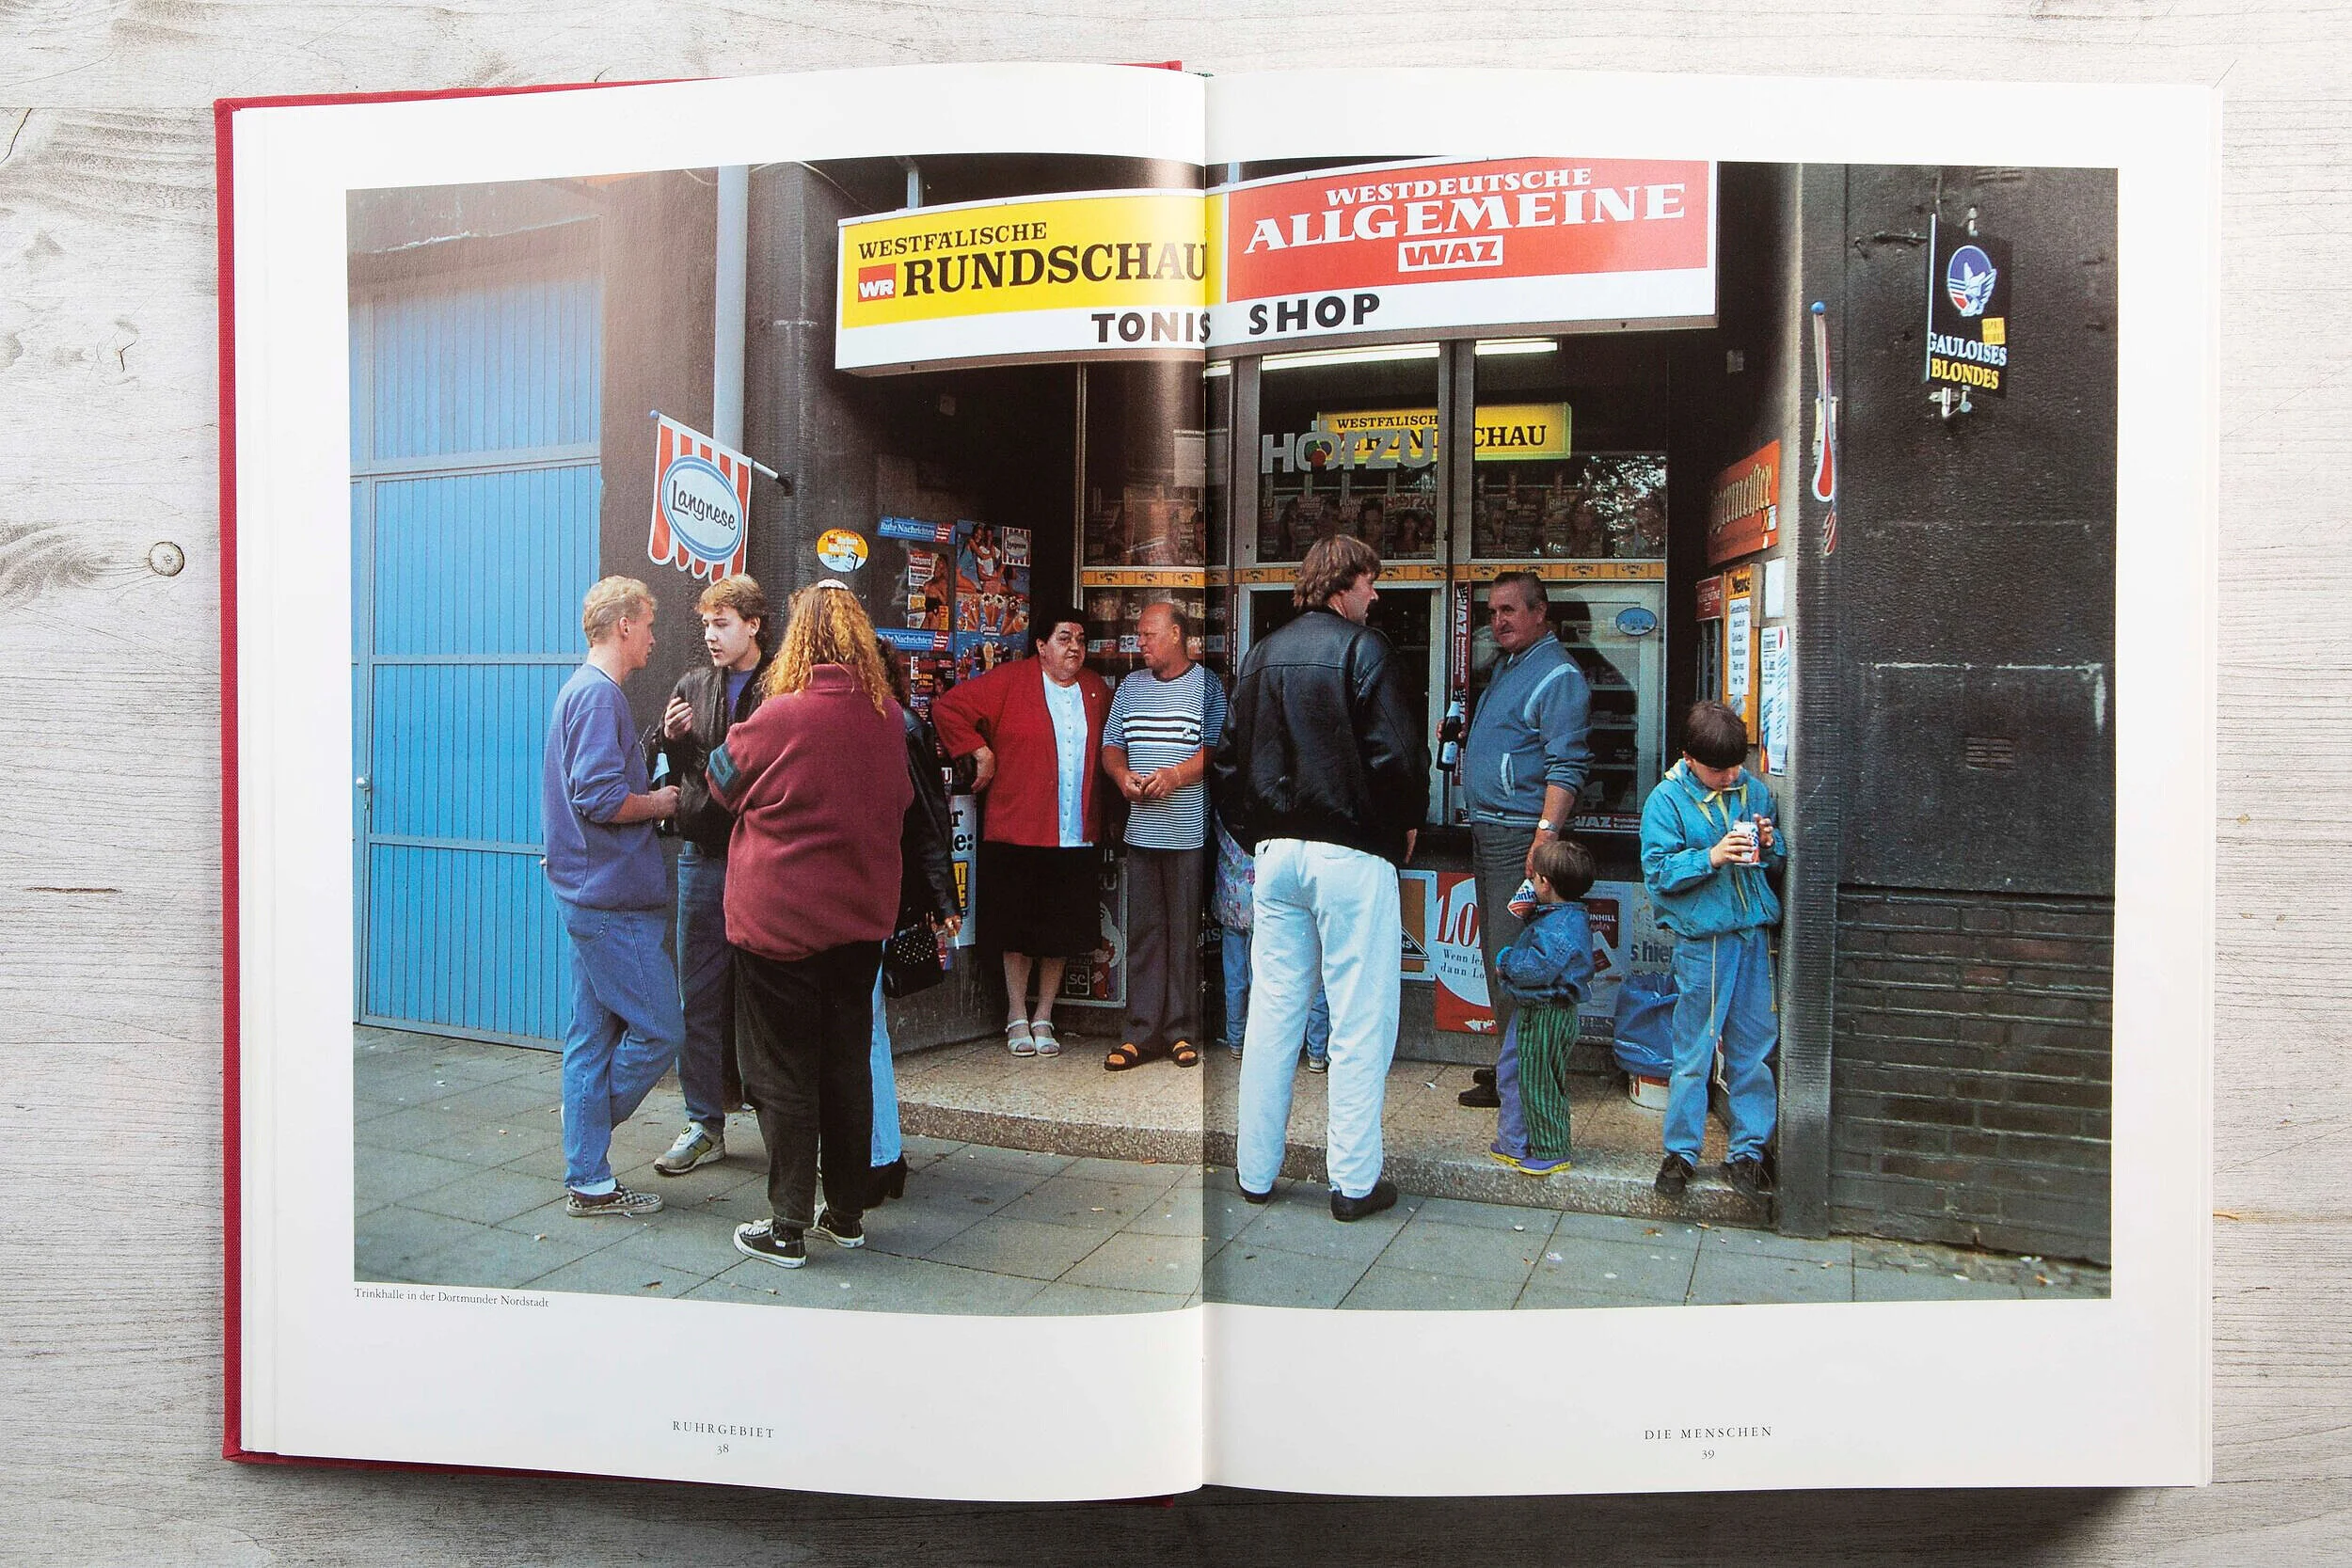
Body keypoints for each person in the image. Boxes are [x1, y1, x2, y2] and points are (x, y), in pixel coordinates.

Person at [1213, 535, 1428, 1223]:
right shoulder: (1367, 652)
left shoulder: (1260, 655)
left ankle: (1254, 1171)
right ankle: (1354, 1182)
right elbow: (1398, 756)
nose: (1376, 596)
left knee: (1272, 1013)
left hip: (1274, 854)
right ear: (1345, 585)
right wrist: (1399, 829)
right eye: (1371, 583)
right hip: (1351, 853)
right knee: (1360, 1018)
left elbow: (1226, 765)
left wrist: (1258, 834)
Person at [707, 581, 913, 1269]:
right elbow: (903, 800)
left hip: (779, 926)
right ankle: (846, 1214)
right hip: (859, 927)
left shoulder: (779, 715)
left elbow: (718, 783)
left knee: (783, 1073)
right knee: (845, 1066)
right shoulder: (888, 717)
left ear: (798, 637)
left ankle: (786, 1223)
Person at [539, 577, 683, 1219]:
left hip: (585, 894)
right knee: (660, 1029)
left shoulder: (580, 692)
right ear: (623, 624)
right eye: (649, 624)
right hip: (612, 901)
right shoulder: (600, 698)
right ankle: (587, 1124)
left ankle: (589, 1179)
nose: (654, 637)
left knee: (589, 1038)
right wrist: (658, 801)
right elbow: (599, 797)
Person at [930, 610, 1114, 1059]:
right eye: (1064, 637)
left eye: (1082, 640)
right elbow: (946, 708)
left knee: (1061, 931)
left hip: (1075, 831)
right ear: (1041, 645)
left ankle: (1045, 1015)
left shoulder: (1096, 689)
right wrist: (979, 750)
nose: (1075, 647)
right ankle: (1016, 1013)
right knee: (1017, 929)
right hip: (1017, 829)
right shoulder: (1010, 681)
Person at [643, 574, 771, 1179]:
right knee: (699, 991)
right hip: (703, 856)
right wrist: (669, 740)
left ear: (754, 625)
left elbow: (759, 775)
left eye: (722, 624)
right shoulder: (693, 683)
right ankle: (703, 1122)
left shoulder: (781, 687)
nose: (711, 635)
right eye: (706, 625)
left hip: (767, 860)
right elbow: (660, 759)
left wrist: (691, 751)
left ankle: (781, 1125)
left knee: (769, 996)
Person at [1455, 570, 1592, 1112]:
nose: (1498, 621)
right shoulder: (1513, 666)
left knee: (1519, 958)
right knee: (1498, 954)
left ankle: (1524, 1075)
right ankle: (1509, 1065)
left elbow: (1566, 770)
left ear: (1540, 613)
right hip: (1490, 831)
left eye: (1510, 610)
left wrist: (1544, 839)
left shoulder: (1558, 675)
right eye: (1492, 613)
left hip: (1520, 842)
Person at [1641, 700, 1786, 1201]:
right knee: (1694, 1051)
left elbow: (1778, 857)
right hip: (1704, 943)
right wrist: (1710, 856)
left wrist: (1769, 842)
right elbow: (1657, 874)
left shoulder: (1754, 790)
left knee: (1754, 1049)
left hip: (1751, 937)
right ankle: (1680, 1154)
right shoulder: (1665, 801)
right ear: (1688, 757)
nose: (1729, 777)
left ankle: (1749, 1152)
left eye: (1735, 766)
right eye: (1718, 769)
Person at [1100, 601, 1227, 1071]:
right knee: (1145, 934)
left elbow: (1216, 747)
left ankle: (1181, 1031)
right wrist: (1122, 777)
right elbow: (1112, 746)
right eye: (1139, 635)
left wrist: (1175, 776)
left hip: (1187, 831)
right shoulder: (1131, 687)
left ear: (1176, 634)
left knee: (1182, 934)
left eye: (1149, 634)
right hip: (1142, 830)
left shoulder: (1206, 686)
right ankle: (1139, 1032)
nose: (1141, 643)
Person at [869, 640, 962, 1202]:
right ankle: (882, 1154)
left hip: (888, 893)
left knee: (867, 1028)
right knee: (867, 1027)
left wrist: (944, 902)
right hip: (884, 889)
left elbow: (928, 821)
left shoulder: (901, 727)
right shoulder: (894, 724)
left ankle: (881, 1156)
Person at [1488, 836, 1597, 1178]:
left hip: (1548, 1012)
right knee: (1514, 1071)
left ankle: (1551, 1148)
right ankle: (1513, 1140)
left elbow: (1537, 968)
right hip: (1535, 1009)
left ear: (1544, 883)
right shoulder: (1555, 916)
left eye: (1533, 878)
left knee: (1538, 1080)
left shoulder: (1560, 926)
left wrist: (1507, 960)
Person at [1212, 816, 1331, 1071]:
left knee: (1235, 979)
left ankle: (1237, 1042)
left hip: (1231, 901)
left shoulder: (1227, 803)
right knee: (1290, 979)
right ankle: (1316, 1052)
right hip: (1274, 903)